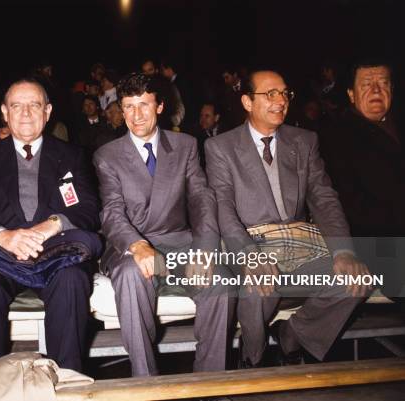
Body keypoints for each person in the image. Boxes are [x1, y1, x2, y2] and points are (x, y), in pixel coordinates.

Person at [205, 70, 371, 368]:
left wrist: (344, 252)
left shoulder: (304, 141)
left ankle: (294, 334)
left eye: (285, 93)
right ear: (247, 101)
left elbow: (324, 199)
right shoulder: (221, 147)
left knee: (357, 279)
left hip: (298, 246)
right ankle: (251, 360)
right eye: (270, 94)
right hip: (250, 244)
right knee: (259, 284)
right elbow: (223, 210)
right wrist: (249, 255)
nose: (281, 100)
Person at [93, 73, 235, 377]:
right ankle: (146, 382)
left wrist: (205, 249)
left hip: (179, 244)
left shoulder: (185, 145)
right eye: (128, 106)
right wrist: (138, 245)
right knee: (132, 274)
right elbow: (112, 212)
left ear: (159, 107)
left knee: (220, 281)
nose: (136, 115)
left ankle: (210, 383)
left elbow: (202, 199)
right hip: (130, 246)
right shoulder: (107, 155)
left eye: (143, 105)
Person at [0, 78, 100, 372]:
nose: (25, 113)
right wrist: (2, 235)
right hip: (1, 257)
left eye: (34, 105)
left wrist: (51, 225)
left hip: (56, 256)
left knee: (72, 279)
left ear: (47, 111)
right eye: (16, 106)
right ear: (4, 113)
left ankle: (68, 381)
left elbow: (89, 210)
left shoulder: (73, 155)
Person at [320, 59, 405, 298]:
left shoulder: (398, 126)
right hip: (380, 247)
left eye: (383, 83)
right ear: (351, 94)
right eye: (367, 84)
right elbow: (350, 206)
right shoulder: (337, 137)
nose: (377, 90)